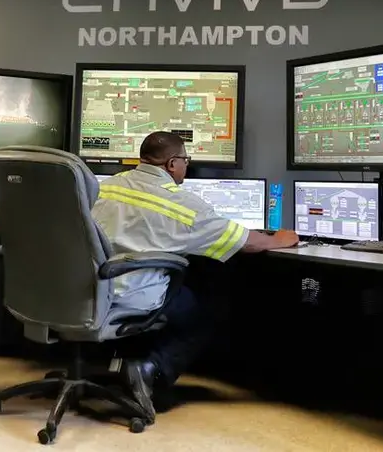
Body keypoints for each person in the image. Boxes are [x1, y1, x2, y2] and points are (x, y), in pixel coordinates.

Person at [91, 131, 300, 420]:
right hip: (132, 294)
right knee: (211, 304)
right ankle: (151, 369)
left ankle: (123, 365)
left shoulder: (105, 187)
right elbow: (247, 242)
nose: (186, 167)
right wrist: (279, 239)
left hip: (88, 290)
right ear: (172, 163)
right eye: (186, 161)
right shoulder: (184, 205)